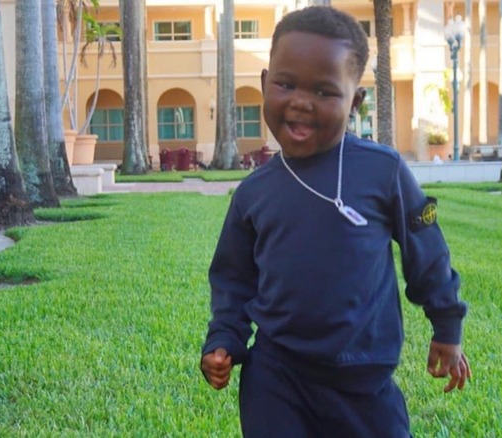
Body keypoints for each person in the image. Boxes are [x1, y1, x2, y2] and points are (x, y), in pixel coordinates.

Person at [200, 6, 470, 437]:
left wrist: (447, 325)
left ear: (355, 101)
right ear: (265, 84)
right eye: (286, 84)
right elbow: (233, 279)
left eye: (325, 92)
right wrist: (223, 340)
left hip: (363, 376)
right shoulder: (253, 193)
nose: (301, 102)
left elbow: (426, 250)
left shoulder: (383, 171)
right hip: (276, 379)